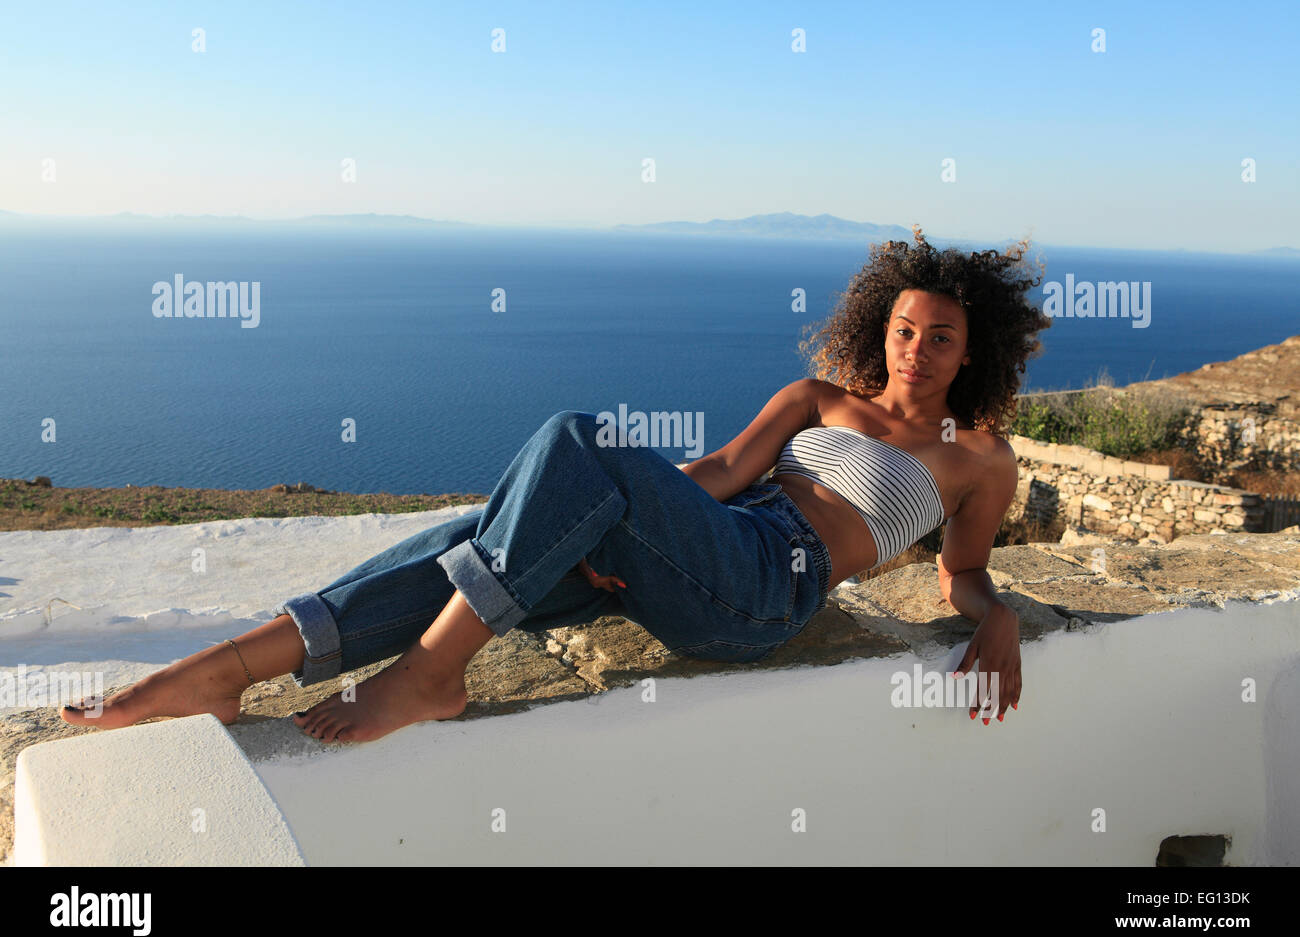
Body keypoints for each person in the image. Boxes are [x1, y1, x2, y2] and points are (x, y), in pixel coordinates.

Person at [61, 225, 1049, 742]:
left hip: (766, 590)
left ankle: (428, 675)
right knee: (490, 527)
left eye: (941, 337)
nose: (916, 349)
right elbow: (712, 474)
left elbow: (960, 575)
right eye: (903, 329)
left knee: (575, 441)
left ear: (973, 351)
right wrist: (626, 524)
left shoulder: (979, 458)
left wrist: (993, 612)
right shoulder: (815, 397)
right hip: (706, 550)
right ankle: (230, 668)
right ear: (882, 325)